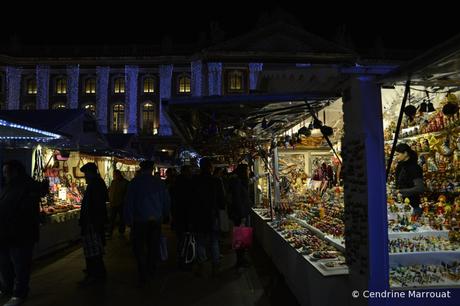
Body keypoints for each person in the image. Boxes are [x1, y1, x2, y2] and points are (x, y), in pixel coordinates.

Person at [0, 160, 47, 306]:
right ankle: (7, 288)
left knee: (20, 265)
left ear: (15, 172)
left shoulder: (27, 187)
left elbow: (25, 213)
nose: (4, 175)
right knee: (5, 263)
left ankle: (19, 293)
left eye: (6, 172)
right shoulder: (10, 186)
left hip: (21, 234)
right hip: (6, 233)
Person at [124, 160, 170, 285]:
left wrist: (128, 219)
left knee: (139, 247)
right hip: (156, 220)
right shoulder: (160, 183)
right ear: (152, 169)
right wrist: (165, 215)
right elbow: (166, 201)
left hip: (139, 221)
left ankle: (142, 272)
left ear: (141, 169)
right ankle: (152, 269)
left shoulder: (134, 183)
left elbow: (129, 203)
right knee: (153, 246)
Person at [191, 158, 225, 276]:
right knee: (214, 241)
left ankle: (201, 266)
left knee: (200, 242)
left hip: (198, 216)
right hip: (212, 215)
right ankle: (215, 266)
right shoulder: (216, 181)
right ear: (211, 167)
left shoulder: (194, 181)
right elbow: (222, 201)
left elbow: (190, 200)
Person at [78, 162, 109, 285]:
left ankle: (94, 274)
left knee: (93, 250)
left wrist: (89, 221)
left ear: (90, 173)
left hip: (92, 222)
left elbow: (94, 206)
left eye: (85, 173)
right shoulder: (97, 183)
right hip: (94, 222)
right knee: (95, 249)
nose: (85, 176)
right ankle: (97, 272)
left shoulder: (95, 185)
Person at [229, 163, 252, 269]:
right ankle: (240, 262)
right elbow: (238, 201)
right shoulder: (237, 183)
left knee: (243, 238)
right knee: (240, 238)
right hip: (240, 215)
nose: (248, 172)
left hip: (242, 214)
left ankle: (242, 260)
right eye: (247, 170)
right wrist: (242, 216)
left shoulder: (240, 182)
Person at [394, 143, 425, 217]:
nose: (396, 157)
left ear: (405, 153)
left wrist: (400, 191)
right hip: (400, 204)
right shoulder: (400, 165)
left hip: (413, 206)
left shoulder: (415, 168)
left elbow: (419, 188)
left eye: (398, 154)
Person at [171, 165, 193, 268]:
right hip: (186, 216)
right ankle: (185, 259)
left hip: (178, 215)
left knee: (180, 238)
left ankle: (181, 258)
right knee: (186, 238)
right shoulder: (189, 184)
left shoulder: (175, 184)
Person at [108, 170, 129, 237]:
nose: (114, 176)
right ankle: (110, 232)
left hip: (121, 204)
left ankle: (121, 231)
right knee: (112, 219)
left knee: (122, 218)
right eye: (114, 174)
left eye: (115, 174)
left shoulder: (125, 182)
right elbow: (111, 190)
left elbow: (127, 194)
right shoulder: (113, 182)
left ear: (119, 174)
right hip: (113, 203)